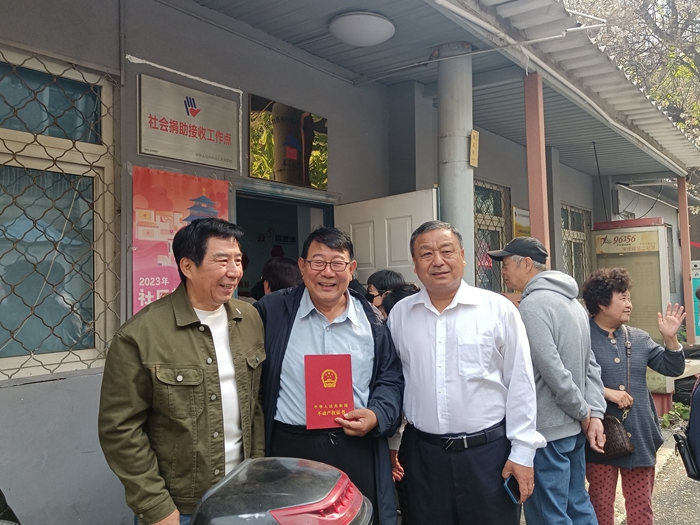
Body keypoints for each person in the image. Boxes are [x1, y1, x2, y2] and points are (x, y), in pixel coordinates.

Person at [98, 218, 266, 525]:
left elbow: (255, 403)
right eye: (222, 261)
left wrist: (257, 469)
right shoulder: (141, 334)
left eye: (238, 260)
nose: (234, 271)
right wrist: (156, 506)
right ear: (188, 266)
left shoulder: (250, 318)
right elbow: (120, 430)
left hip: (243, 491)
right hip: (179, 507)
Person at [387, 220, 545, 525]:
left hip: (488, 456)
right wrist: (393, 442)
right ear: (415, 264)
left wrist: (523, 453)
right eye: (426, 254)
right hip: (423, 456)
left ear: (462, 256)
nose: (438, 261)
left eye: (446, 251)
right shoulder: (401, 315)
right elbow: (398, 382)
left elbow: (521, 385)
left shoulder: (498, 310)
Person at [254, 227, 404, 525]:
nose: (327, 272)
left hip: (355, 446)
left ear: (351, 268)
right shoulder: (272, 311)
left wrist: (377, 415)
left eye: (337, 263)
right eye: (318, 262)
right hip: (290, 448)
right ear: (302, 266)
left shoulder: (373, 321)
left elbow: (390, 379)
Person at [488, 237, 606, 525]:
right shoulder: (573, 303)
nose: (503, 271)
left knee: (548, 515)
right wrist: (593, 412)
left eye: (506, 264)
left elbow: (552, 369)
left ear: (527, 264)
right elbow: (590, 364)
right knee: (578, 506)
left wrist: (583, 411)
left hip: (547, 432)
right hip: (573, 428)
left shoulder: (533, 305)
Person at [581, 268, 686, 525]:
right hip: (599, 437)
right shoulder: (581, 337)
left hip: (640, 435)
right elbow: (571, 380)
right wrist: (606, 392)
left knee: (641, 509)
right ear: (602, 303)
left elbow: (672, 368)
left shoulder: (638, 337)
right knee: (599, 506)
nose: (629, 304)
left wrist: (671, 339)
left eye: (629, 297)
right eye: (623, 298)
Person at [0, 260, 84, 357]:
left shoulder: (57, 310)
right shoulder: (6, 310)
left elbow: (66, 348)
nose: (4, 290)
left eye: (9, 288)